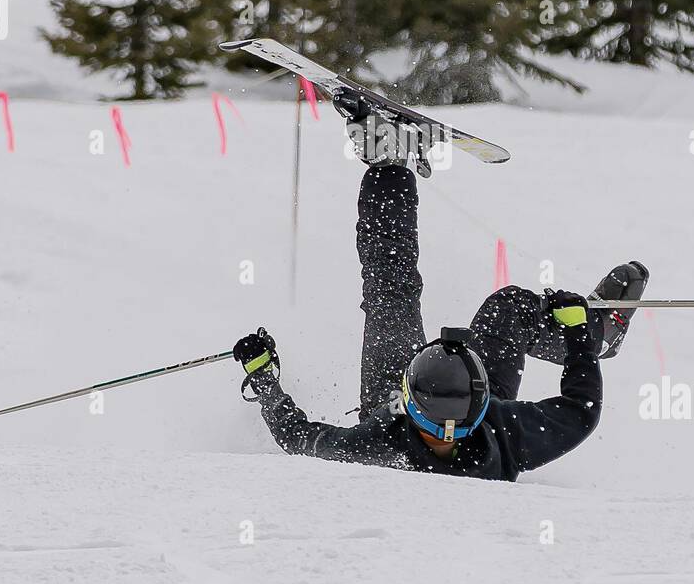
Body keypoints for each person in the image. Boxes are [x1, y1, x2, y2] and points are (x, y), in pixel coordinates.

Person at [232, 94, 649, 482]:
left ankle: (390, 162)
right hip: (461, 405)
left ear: (408, 401)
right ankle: (602, 336)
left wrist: (266, 383)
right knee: (503, 307)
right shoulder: (506, 431)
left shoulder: (383, 445)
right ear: (482, 399)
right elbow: (581, 410)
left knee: (389, 294)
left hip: (393, 405)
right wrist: (578, 334)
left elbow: (301, 438)